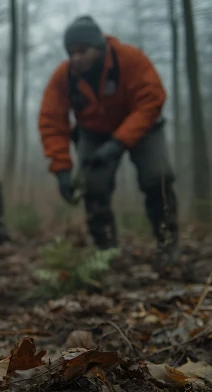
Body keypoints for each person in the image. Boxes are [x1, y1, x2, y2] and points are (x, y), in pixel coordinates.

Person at [39, 15, 178, 265]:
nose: (76, 58)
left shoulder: (131, 60)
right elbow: (51, 121)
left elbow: (152, 100)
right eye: (71, 53)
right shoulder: (64, 77)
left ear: (99, 47)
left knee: (157, 177)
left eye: (82, 51)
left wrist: (118, 143)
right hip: (93, 132)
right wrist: (61, 169)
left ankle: (168, 243)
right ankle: (105, 251)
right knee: (93, 187)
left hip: (143, 127)